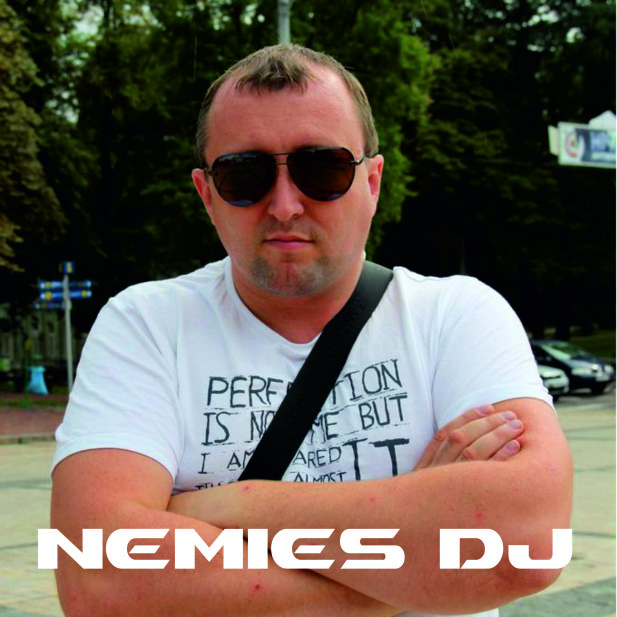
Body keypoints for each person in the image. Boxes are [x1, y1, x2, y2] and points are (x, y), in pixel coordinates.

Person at [51, 44, 572, 617]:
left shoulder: (457, 315)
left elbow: (527, 546)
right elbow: (97, 578)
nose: (284, 205)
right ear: (207, 195)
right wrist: (411, 565)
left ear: (372, 181)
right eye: (244, 175)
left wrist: (223, 507)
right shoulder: (145, 324)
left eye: (322, 169)